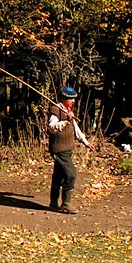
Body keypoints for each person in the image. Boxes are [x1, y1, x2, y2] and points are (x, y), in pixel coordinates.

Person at [47, 86, 96, 214]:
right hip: (59, 149)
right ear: (64, 99)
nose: (73, 101)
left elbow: (75, 128)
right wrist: (65, 121)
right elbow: (52, 127)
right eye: (71, 99)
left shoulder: (68, 110)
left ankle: (53, 203)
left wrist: (85, 142)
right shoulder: (56, 110)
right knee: (71, 174)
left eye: (74, 98)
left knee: (58, 175)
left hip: (67, 149)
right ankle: (66, 204)